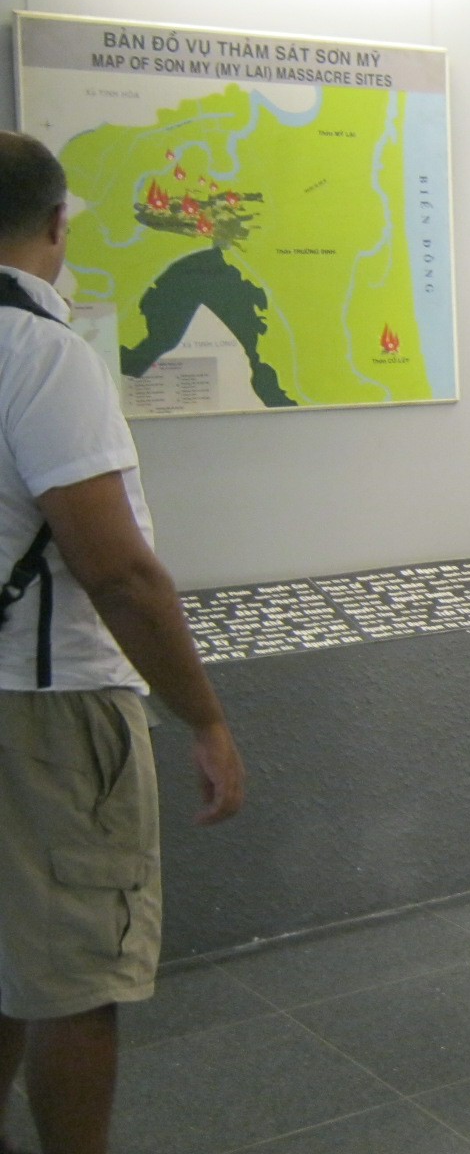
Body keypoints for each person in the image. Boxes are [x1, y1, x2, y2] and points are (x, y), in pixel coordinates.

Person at [0, 131, 246, 1154]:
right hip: (51, 712)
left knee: (7, 959)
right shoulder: (41, 354)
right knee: (77, 975)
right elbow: (118, 572)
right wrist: (206, 718)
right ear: (57, 223)